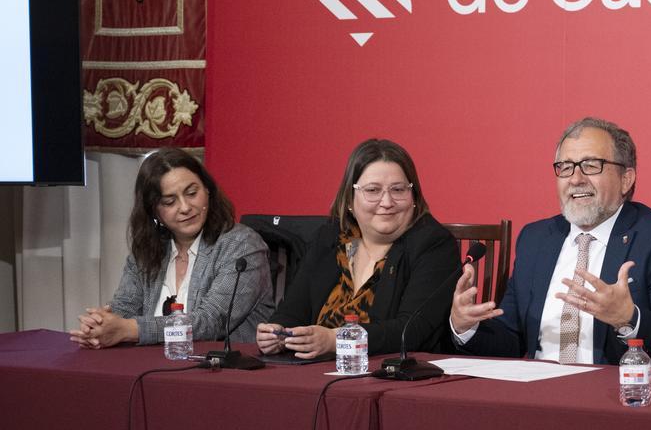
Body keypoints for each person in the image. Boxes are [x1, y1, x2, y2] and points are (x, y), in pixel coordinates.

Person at [450, 116, 651, 367]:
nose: (575, 179)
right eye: (566, 167)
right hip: (536, 392)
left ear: (625, 179)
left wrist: (628, 318)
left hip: (613, 397)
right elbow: (511, 341)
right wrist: (467, 326)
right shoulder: (535, 239)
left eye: (591, 165)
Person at [256, 139, 460, 359]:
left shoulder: (433, 244)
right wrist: (277, 332)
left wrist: (337, 340)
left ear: (414, 197)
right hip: (315, 371)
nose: (387, 201)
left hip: (390, 373)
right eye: (373, 190)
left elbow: (412, 331)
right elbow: (294, 309)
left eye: (398, 189)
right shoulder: (331, 236)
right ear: (350, 200)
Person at [69, 148, 273, 348]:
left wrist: (129, 330)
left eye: (192, 193)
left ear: (208, 190)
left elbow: (211, 322)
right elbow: (125, 309)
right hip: (151, 367)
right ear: (154, 211)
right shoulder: (147, 250)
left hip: (223, 372)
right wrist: (101, 325)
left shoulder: (241, 245)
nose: (185, 207)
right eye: (169, 201)